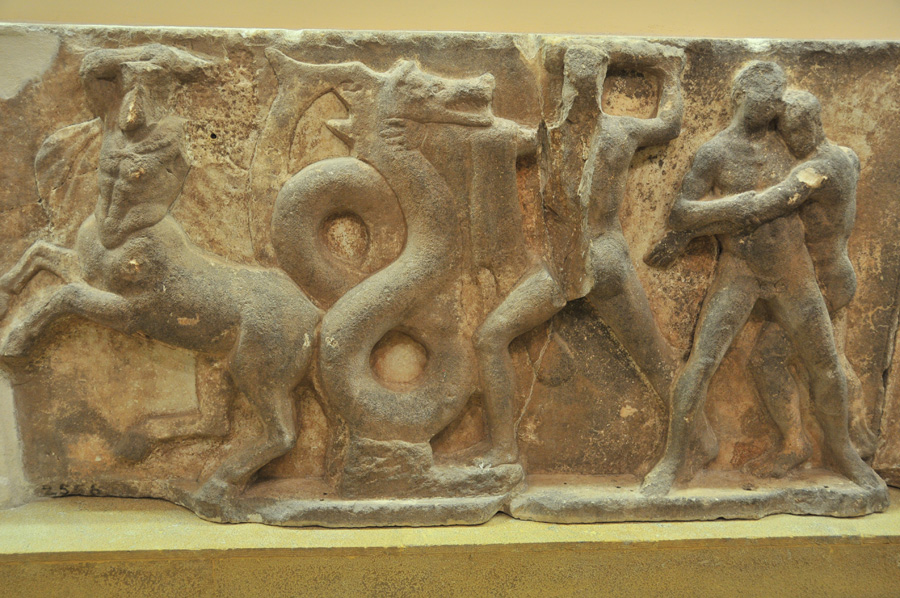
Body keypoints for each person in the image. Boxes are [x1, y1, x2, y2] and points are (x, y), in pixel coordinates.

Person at [640, 62, 884, 496]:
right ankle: (671, 460)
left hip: (793, 269)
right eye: (764, 100)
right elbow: (681, 211)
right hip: (740, 271)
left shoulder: (790, 143)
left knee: (825, 364)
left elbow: (820, 178)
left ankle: (843, 451)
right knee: (702, 362)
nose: (772, 108)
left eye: (776, 101)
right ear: (739, 97)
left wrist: (707, 224)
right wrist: (731, 210)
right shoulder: (715, 152)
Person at [475, 42, 686, 466]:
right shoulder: (619, 131)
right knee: (657, 361)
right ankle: (700, 440)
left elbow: (489, 140)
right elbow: (669, 123)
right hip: (600, 258)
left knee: (491, 338)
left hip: (575, 263)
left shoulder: (548, 135)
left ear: (565, 85)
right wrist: (667, 70)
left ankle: (503, 450)